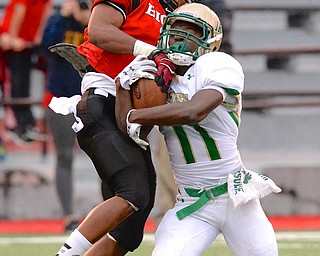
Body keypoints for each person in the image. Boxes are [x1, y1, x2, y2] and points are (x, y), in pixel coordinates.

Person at [115, 3, 281, 255]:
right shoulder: (155, 75)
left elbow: (194, 112)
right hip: (192, 203)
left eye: (191, 32)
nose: (181, 38)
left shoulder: (217, 64)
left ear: (210, 42)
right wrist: (123, 87)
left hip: (234, 198)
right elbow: (131, 131)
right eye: (176, 31)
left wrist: (135, 114)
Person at [50, 0, 198, 255]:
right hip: (103, 102)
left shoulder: (175, 13)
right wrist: (150, 52)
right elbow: (98, 30)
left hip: (131, 121)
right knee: (133, 193)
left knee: (130, 229)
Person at [41, 0, 91, 232]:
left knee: (106, 153)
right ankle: (69, 215)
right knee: (64, 156)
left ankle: (108, 209)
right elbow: (45, 48)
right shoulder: (57, 20)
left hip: (91, 96)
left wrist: (90, 20)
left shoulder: (98, 18)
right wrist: (63, 16)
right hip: (60, 98)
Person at [0, 0, 52, 145]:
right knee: (17, 83)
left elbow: (45, 13)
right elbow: (18, 12)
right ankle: (20, 124)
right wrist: (13, 38)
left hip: (25, 43)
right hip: (15, 44)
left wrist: (37, 36)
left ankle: (25, 123)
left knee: (22, 83)